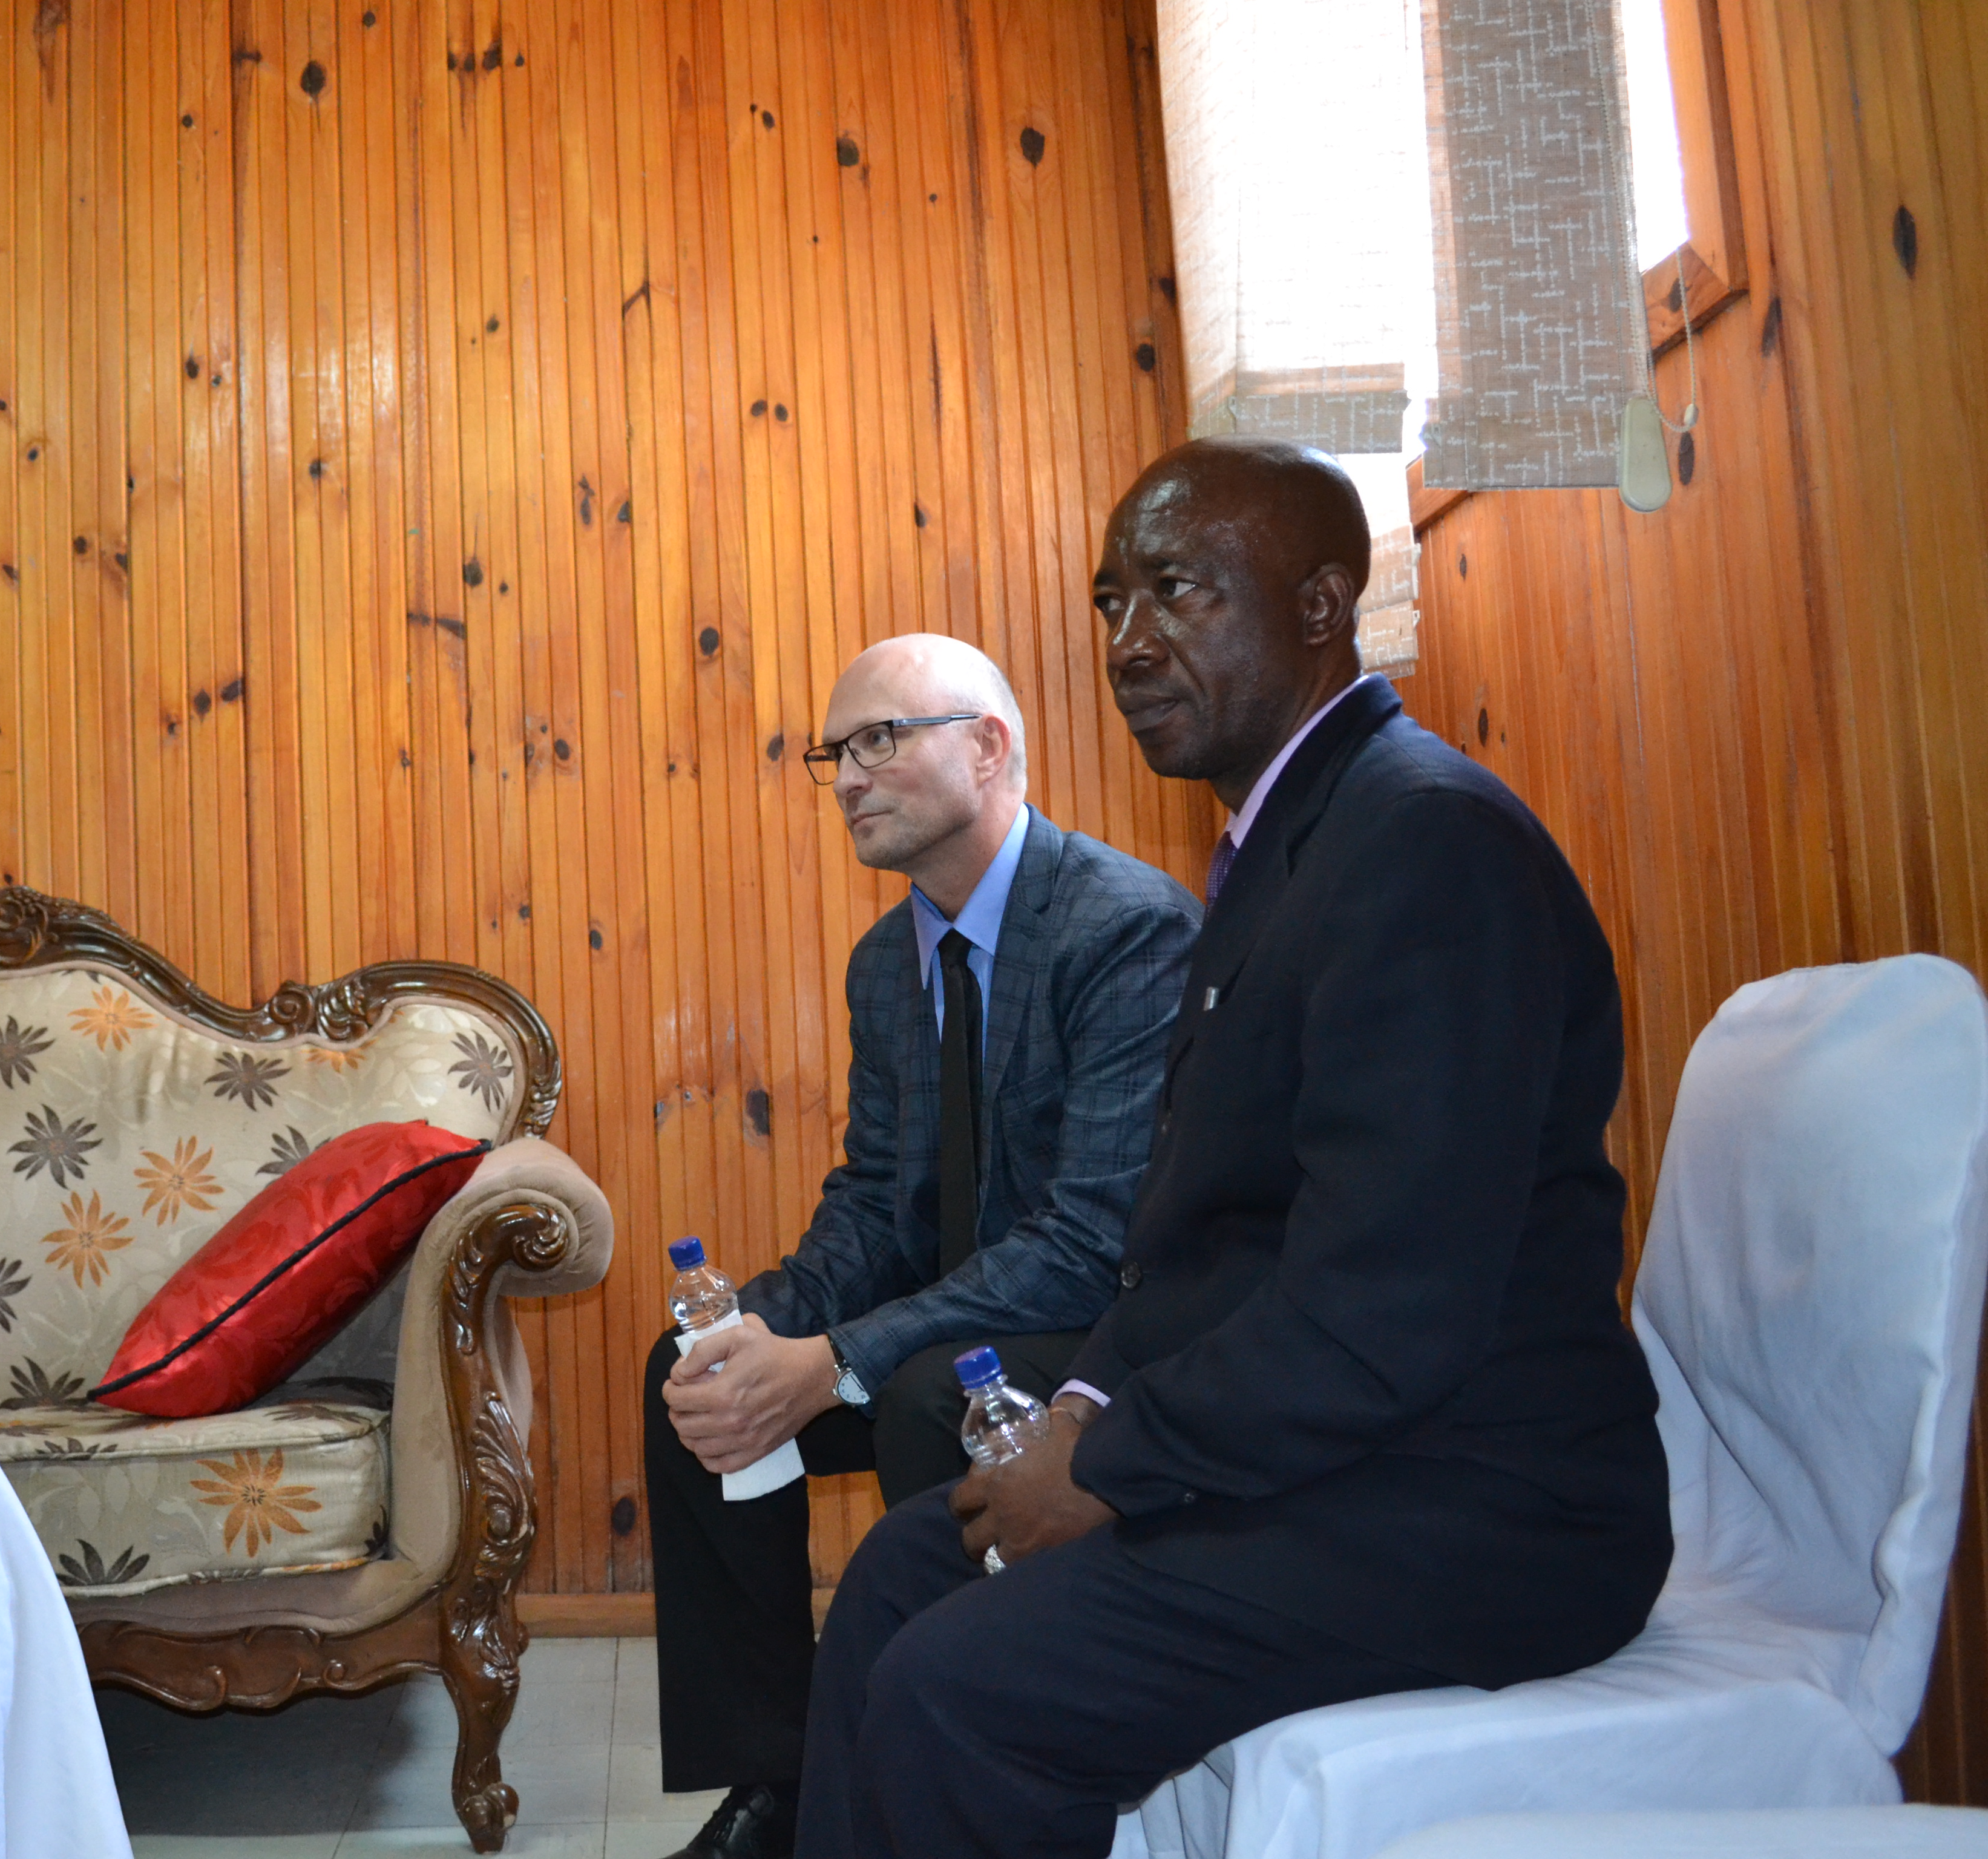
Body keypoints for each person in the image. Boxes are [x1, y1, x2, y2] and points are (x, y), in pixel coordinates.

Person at [794, 439, 1674, 1859]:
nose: (1128, 640)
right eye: (1109, 599)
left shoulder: (1421, 845)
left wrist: (1110, 1457)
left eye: (1178, 589)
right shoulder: (1285, 848)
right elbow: (1196, 1242)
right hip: (1350, 1449)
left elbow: (1386, 1305)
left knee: (964, 1686)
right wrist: (1076, 1401)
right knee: (908, 1565)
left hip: (1485, 1498)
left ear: (1323, 603)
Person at [646, 634, 1201, 1859]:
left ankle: (949, 1751)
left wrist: (834, 1359)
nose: (847, 775)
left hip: (1106, 1324)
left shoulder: (1125, 927)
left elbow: (1092, 1237)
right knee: (693, 1371)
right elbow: (877, 1205)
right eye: (832, 753)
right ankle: (780, 1784)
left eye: (879, 740)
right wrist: (770, 1326)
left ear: (989, 745)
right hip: (953, 1312)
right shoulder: (886, 964)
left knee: (906, 1400)